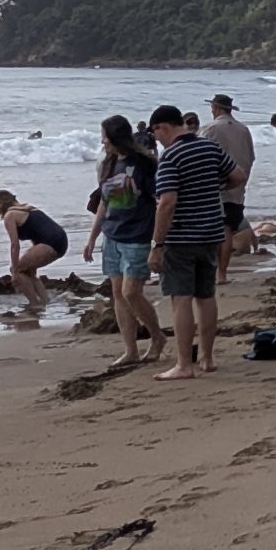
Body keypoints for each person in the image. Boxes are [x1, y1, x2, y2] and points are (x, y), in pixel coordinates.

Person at [146, 104, 243, 381]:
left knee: (181, 299)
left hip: (181, 237)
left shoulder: (171, 156)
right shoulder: (209, 148)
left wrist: (157, 244)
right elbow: (238, 176)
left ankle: (184, 364)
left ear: (163, 127)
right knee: (206, 296)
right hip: (211, 233)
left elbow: (167, 202)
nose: (157, 139)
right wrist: (214, 188)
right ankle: (207, 358)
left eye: (156, 133)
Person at [82, 114, 166, 368]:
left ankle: (157, 336)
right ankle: (130, 350)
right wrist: (92, 237)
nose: (103, 142)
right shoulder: (108, 164)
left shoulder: (144, 164)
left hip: (138, 235)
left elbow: (160, 201)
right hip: (112, 235)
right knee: (118, 293)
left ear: (116, 137)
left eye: (105, 137)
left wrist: (159, 242)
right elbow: (104, 202)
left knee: (131, 292)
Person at [204, 95, 258, 281]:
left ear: (216, 108)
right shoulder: (244, 129)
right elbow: (251, 158)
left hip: (216, 187)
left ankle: (217, 272)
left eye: (212, 107)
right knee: (227, 229)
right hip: (238, 187)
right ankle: (222, 273)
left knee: (218, 232)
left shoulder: (210, 129)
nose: (211, 110)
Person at [0, 189, 66, 308]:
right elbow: (37, 233)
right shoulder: (28, 208)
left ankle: (34, 304)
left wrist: (15, 270)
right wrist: (32, 262)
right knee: (28, 272)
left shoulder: (10, 215)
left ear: (1, 203)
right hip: (61, 241)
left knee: (18, 270)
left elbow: (15, 245)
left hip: (50, 242)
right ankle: (45, 302)